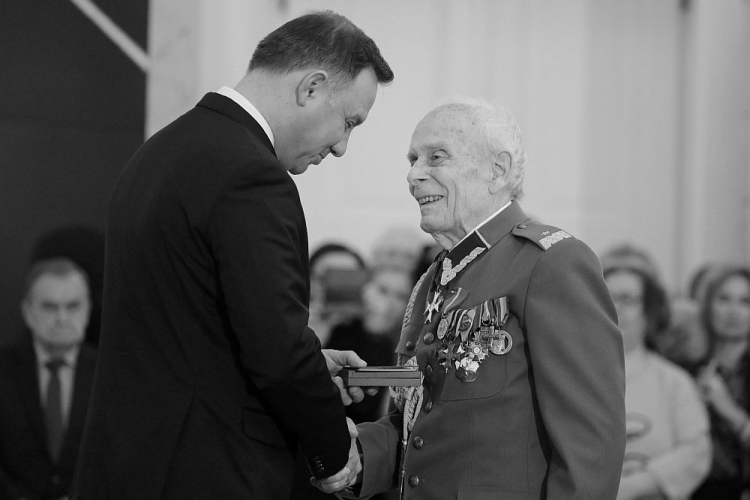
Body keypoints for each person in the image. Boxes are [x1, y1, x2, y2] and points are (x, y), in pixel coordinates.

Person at [71, 11, 393, 500]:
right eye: (349, 121)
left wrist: (310, 362)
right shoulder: (252, 175)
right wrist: (333, 453)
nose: (343, 147)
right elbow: (277, 352)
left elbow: (192, 328)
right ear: (311, 87)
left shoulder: (161, 151)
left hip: (131, 464)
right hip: (202, 471)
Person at [315, 100, 626, 498]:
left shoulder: (552, 262)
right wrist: (355, 455)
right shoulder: (433, 278)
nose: (413, 175)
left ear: (497, 170)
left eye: (436, 157)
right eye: (412, 159)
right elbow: (419, 425)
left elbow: (590, 447)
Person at [603, 265, 711, 500]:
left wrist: (631, 487)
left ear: (648, 311)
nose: (615, 306)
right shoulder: (571, 377)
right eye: (606, 296)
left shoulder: (674, 381)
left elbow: (696, 451)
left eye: (627, 299)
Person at [0, 258, 97, 500]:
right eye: (49, 307)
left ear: (88, 310)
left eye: (73, 306)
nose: (62, 318)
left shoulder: (111, 373)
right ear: (27, 311)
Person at [692, 266, 750, 500]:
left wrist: (727, 409)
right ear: (708, 306)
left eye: (745, 301)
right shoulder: (684, 371)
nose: (733, 311)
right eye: (724, 299)